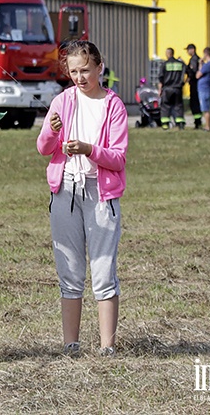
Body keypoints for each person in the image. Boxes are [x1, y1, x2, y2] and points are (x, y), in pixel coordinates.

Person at [36, 40, 128, 358]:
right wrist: (51, 129)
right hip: (65, 192)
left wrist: (89, 149)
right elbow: (44, 147)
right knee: (70, 271)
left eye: (85, 70)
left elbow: (117, 158)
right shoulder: (62, 101)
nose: (79, 77)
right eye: (73, 71)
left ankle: (107, 347)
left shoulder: (113, 106)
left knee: (103, 272)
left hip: (101, 195)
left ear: (100, 68)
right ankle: (70, 345)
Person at [157, 47, 186, 129]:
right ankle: (180, 123)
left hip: (167, 89)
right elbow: (189, 72)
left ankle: (165, 124)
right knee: (178, 106)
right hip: (178, 88)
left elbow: (161, 78)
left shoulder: (165, 64)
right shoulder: (180, 64)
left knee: (165, 106)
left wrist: (160, 90)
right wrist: (183, 83)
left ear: (168, 54)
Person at [196, 47, 210, 132]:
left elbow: (198, 75)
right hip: (208, 88)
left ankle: (208, 126)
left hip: (204, 89)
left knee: (205, 109)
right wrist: (201, 64)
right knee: (205, 108)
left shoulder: (208, 65)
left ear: (205, 54)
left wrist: (200, 65)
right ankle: (207, 125)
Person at [184, 44, 203, 129]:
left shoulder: (194, 59)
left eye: (188, 50)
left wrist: (187, 72)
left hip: (194, 85)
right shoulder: (197, 59)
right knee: (195, 103)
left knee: (194, 104)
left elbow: (193, 72)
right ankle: (198, 122)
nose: (187, 52)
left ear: (192, 50)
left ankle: (197, 123)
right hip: (197, 85)